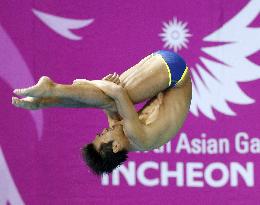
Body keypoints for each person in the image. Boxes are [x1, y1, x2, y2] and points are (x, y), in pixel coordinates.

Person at [12, 50, 192, 175]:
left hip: (162, 67)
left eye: (100, 133)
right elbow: (117, 93)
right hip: (175, 73)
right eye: (103, 135)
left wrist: (98, 85)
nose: (104, 130)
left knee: (107, 101)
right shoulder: (139, 138)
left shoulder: (118, 129)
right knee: (113, 96)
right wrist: (91, 82)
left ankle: (46, 100)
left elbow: (105, 102)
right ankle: (52, 90)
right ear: (115, 147)